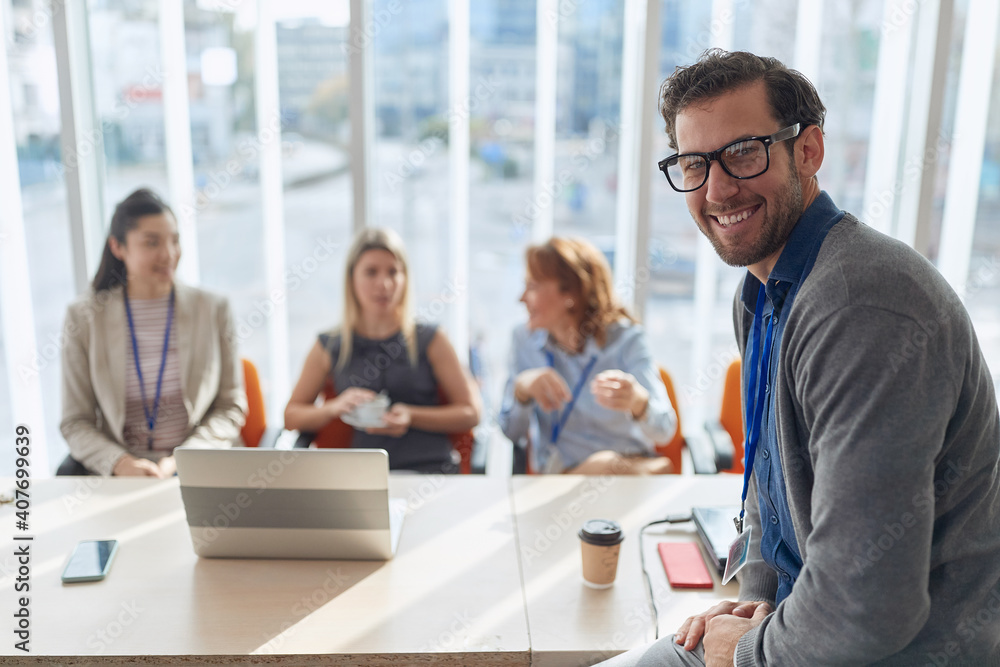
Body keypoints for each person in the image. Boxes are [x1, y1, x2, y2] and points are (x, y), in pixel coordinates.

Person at [602, 50, 1000, 666]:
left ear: (808, 151)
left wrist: (750, 653)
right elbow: (770, 483)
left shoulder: (861, 305)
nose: (716, 188)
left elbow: (870, 608)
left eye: (742, 152)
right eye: (693, 163)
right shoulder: (763, 293)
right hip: (798, 630)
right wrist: (753, 601)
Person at [60, 188, 247, 477]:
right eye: (152, 243)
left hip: (202, 463)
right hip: (123, 473)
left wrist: (183, 461)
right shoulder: (84, 318)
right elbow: (75, 421)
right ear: (118, 247)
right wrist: (120, 463)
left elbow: (230, 407)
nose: (169, 254)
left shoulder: (213, 309)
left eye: (175, 240)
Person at [284, 228, 480, 473]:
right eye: (371, 272)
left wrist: (411, 415)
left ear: (405, 278)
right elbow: (291, 415)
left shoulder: (432, 339)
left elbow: (471, 413)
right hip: (362, 474)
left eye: (393, 272)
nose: (384, 284)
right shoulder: (330, 345)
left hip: (427, 470)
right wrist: (334, 407)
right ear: (351, 278)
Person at [499, 237, 677, 474]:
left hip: (628, 472)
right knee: (606, 465)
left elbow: (664, 432)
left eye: (532, 286)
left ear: (570, 294)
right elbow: (511, 432)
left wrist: (637, 402)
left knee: (609, 465)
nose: (521, 298)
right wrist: (522, 390)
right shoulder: (524, 341)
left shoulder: (627, 339)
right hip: (564, 478)